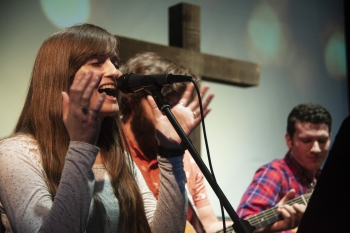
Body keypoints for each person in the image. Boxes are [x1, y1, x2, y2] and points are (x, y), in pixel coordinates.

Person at [0, 24, 203, 232]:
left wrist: (171, 154)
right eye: (97, 62)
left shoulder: (118, 158)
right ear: (61, 77)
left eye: (116, 63)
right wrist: (81, 148)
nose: (115, 72)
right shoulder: (15, 154)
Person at [119, 52, 303, 233]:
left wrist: (267, 225)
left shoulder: (186, 161)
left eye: (176, 106)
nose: (172, 115)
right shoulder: (112, 152)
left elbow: (212, 227)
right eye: (163, 105)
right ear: (132, 98)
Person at [237, 103, 332, 233]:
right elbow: (243, 223)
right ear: (289, 140)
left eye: (322, 140)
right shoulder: (274, 173)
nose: (316, 149)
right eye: (306, 140)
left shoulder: (330, 181)